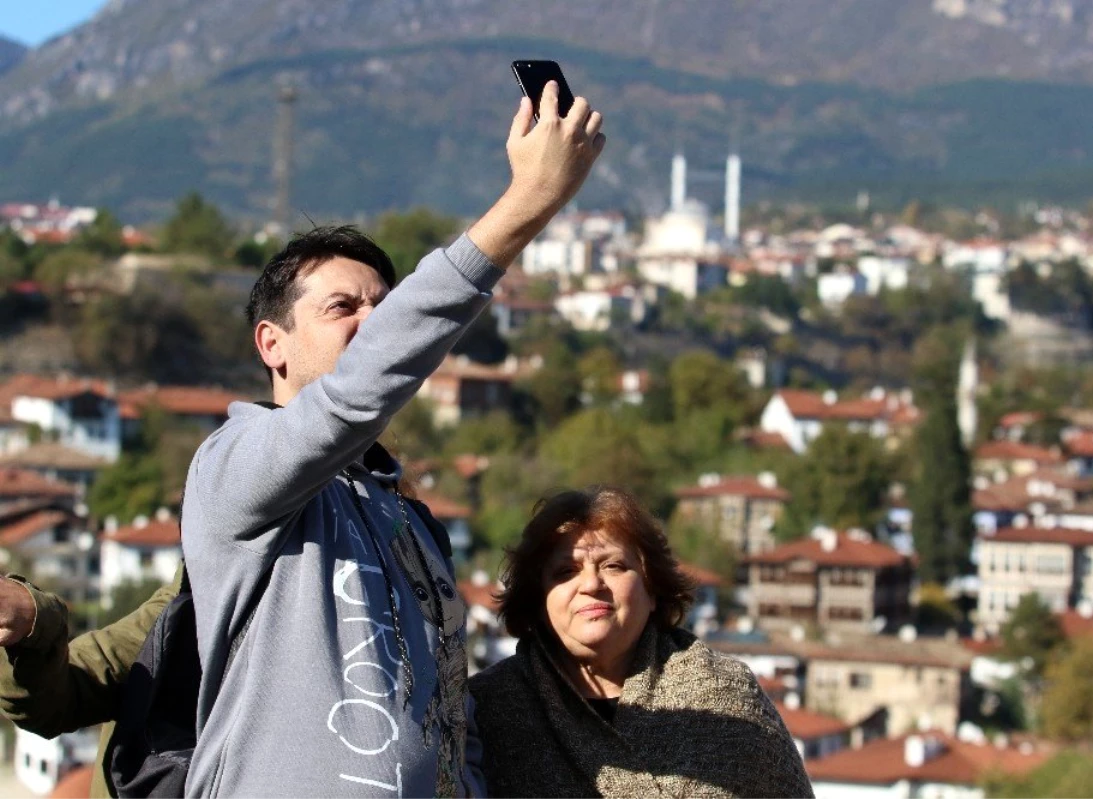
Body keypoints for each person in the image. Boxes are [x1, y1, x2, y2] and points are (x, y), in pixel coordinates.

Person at [0, 81, 604, 799]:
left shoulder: (413, 525)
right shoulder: (234, 466)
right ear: (272, 344)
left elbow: (448, 711)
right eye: (343, 307)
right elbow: (355, 396)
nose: (372, 324)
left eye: (384, 307)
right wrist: (527, 203)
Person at [468, 486, 814, 799]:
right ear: (538, 601)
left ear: (652, 590)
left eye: (614, 566)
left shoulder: (726, 694)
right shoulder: (486, 709)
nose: (591, 583)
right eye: (566, 571)